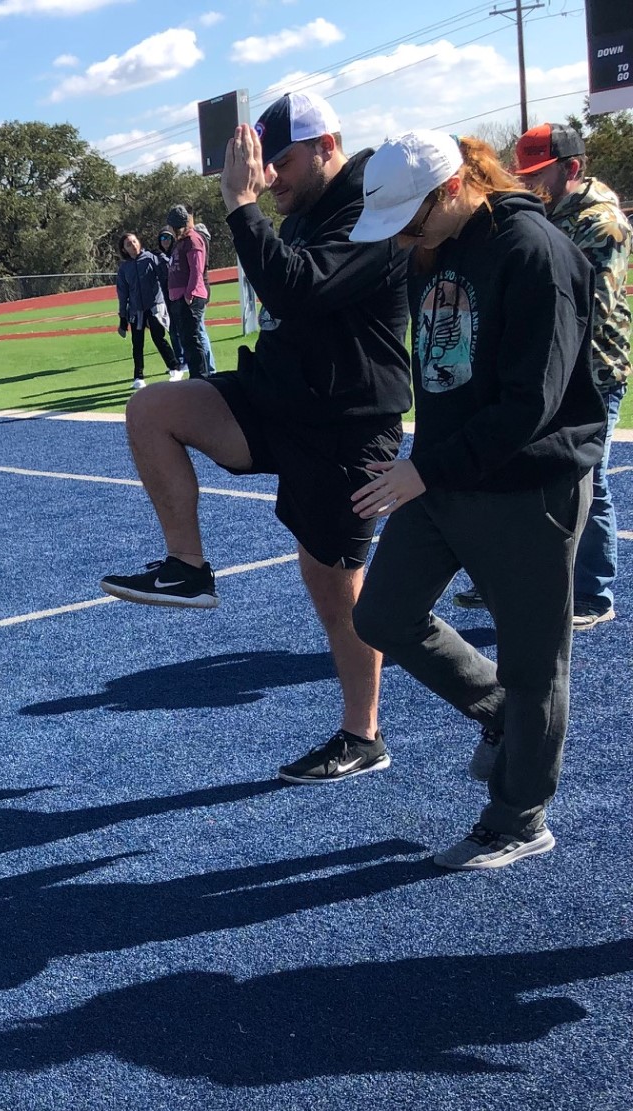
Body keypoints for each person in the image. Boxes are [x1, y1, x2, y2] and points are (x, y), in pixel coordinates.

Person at [100, 93, 413, 786]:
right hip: (281, 401)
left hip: (344, 424)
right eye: (264, 164)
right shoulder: (305, 213)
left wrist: (241, 208)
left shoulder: (373, 212)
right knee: (152, 409)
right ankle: (187, 566)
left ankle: (366, 733)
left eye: (286, 160)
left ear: (328, 144)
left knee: (336, 591)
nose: (273, 177)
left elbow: (296, 290)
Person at [348, 132, 605, 870]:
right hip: (450, 474)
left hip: (529, 486)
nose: (400, 236)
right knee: (384, 614)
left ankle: (520, 816)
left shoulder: (535, 253)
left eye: (409, 218)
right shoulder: (440, 249)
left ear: (454, 186)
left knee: (534, 664)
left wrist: (425, 471)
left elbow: (532, 403)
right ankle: (499, 717)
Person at [456, 123, 629, 628]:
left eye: (540, 174)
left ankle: (593, 594)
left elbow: (586, 307)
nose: (529, 185)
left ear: (571, 169)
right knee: (521, 474)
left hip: (594, 374)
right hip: (544, 371)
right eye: (523, 173)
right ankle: (508, 578)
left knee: (586, 481)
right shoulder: (540, 216)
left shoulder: (604, 224)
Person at [114, 234, 180, 390]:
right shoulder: (124, 268)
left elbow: (166, 273)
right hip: (136, 311)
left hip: (155, 307)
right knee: (137, 344)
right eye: (129, 244)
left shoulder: (151, 258)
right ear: (124, 249)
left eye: (134, 241)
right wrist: (123, 317)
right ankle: (138, 377)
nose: (133, 245)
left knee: (159, 338)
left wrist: (163, 256)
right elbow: (123, 293)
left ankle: (175, 368)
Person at [166, 204, 214, 379]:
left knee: (193, 340)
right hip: (178, 297)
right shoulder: (181, 242)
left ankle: (201, 376)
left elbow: (196, 269)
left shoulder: (193, 240)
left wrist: (189, 294)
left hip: (190, 298)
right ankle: (196, 376)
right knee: (186, 340)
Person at [155, 229, 186, 373]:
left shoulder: (177, 253)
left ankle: (186, 359)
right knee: (173, 330)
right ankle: (178, 359)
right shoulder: (158, 257)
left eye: (167, 237)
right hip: (166, 297)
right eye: (162, 238)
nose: (165, 241)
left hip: (179, 295)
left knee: (183, 328)